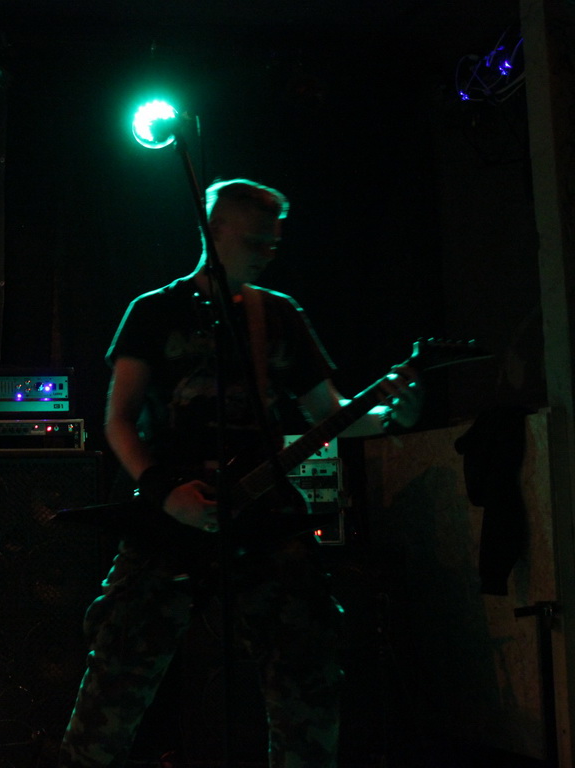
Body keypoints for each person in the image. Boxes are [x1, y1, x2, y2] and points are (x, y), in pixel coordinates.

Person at [58, 179, 423, 768]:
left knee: (307, 681)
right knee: (115, 680)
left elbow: (329, 414)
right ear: (214, 230)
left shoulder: (279, 314)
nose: (266, 253)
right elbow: (118, 420)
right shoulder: (153, 311)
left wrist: (393, 415)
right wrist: (165, 493)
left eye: (273, 243)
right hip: (168, 517)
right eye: (255, 241)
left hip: (264, 515)